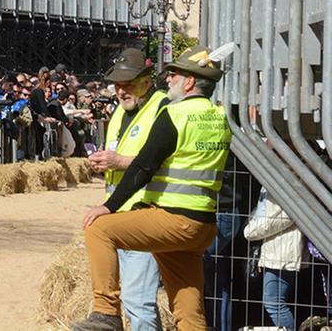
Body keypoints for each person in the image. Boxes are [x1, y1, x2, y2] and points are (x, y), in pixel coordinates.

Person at [73, 48, 233, 331]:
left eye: (175, 74)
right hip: (203, 225)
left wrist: (108, 207)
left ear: (190, 82)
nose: (168, 79)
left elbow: (144, 166)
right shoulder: (219, 116)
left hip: (173, 218)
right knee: (189, 311)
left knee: (98, 229)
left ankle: (106, 312)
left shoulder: (175, 113)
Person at [85, 48, 168, 331]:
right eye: (117, 85)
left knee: (138, 302)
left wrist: (119, 161)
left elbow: (163, 161)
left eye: (128, 84)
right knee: (134, 301)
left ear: (147, 80)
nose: (121, 91)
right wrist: (104, 164)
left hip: (145, 213)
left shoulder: (162, 107)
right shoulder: (121, 111)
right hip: (119, 215)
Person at [244, 189, 305, 331]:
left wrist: (251, 230)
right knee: (275, 302)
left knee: (274, 303)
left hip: (282, 250)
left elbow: (287, 216)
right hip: (275, 248)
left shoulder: (290, 183)